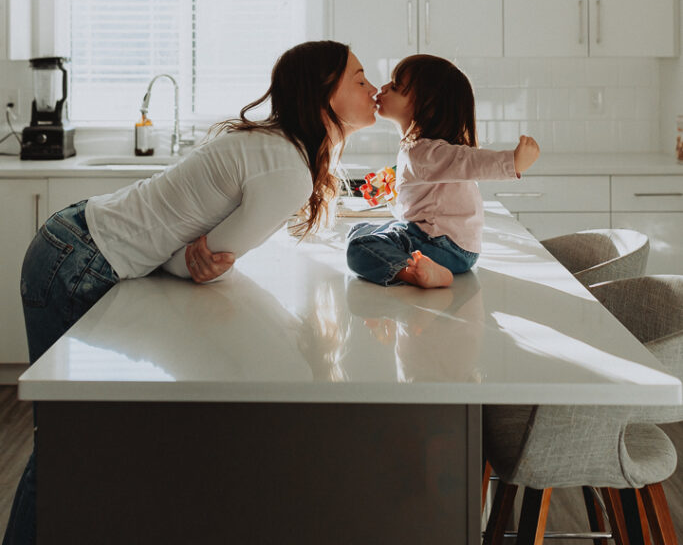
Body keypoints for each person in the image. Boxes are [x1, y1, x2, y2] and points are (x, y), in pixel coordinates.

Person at [3, 40, 378, 545]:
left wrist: (190, 260)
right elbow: (204, 263)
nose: (373, 88)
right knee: (68, 442)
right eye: (359, 78)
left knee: (85, 437)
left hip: (75, 239)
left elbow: (202, 257)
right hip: (78, 262)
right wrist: (188, 262)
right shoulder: (287, 169)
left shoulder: (274, 146)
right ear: (322, 94)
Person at [346, 54, 540, 289]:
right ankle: (424, 267)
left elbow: (470, 162)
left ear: (424, 104)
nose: (383, 88)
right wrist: (393, 186)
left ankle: (413, 272)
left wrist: (512, 162)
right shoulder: (425, 150)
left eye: (395, 87)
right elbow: (427, 187)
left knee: (358, 248)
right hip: (456, 248)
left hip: (438, 245)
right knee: (359, 230)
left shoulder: (424, 151)